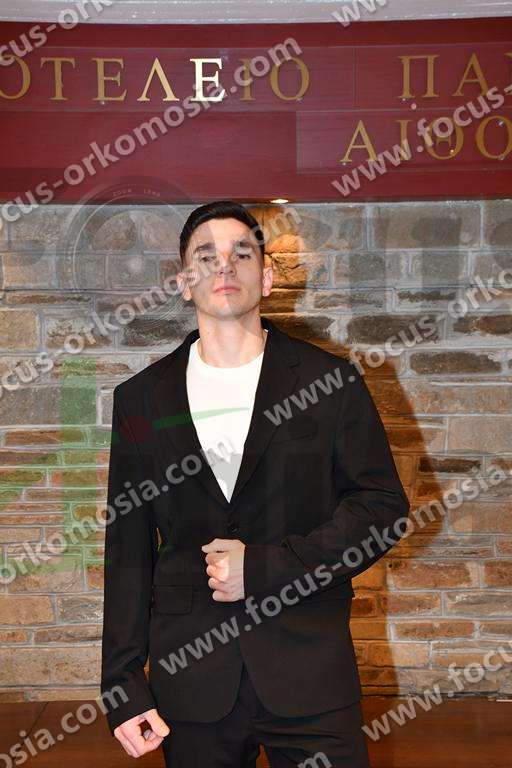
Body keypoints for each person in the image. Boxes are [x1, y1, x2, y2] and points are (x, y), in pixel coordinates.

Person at [100, 200, 410, 767]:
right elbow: (128, 549)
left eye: (241, 254)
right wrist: (122, 684)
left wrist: (267, 568)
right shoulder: (139, 400)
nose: (224, 266)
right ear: (183, 281)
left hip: (310, 673)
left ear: (266, 277)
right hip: (191, 680)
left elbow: (382, 509)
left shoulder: (330, 382)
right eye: (206, 256)